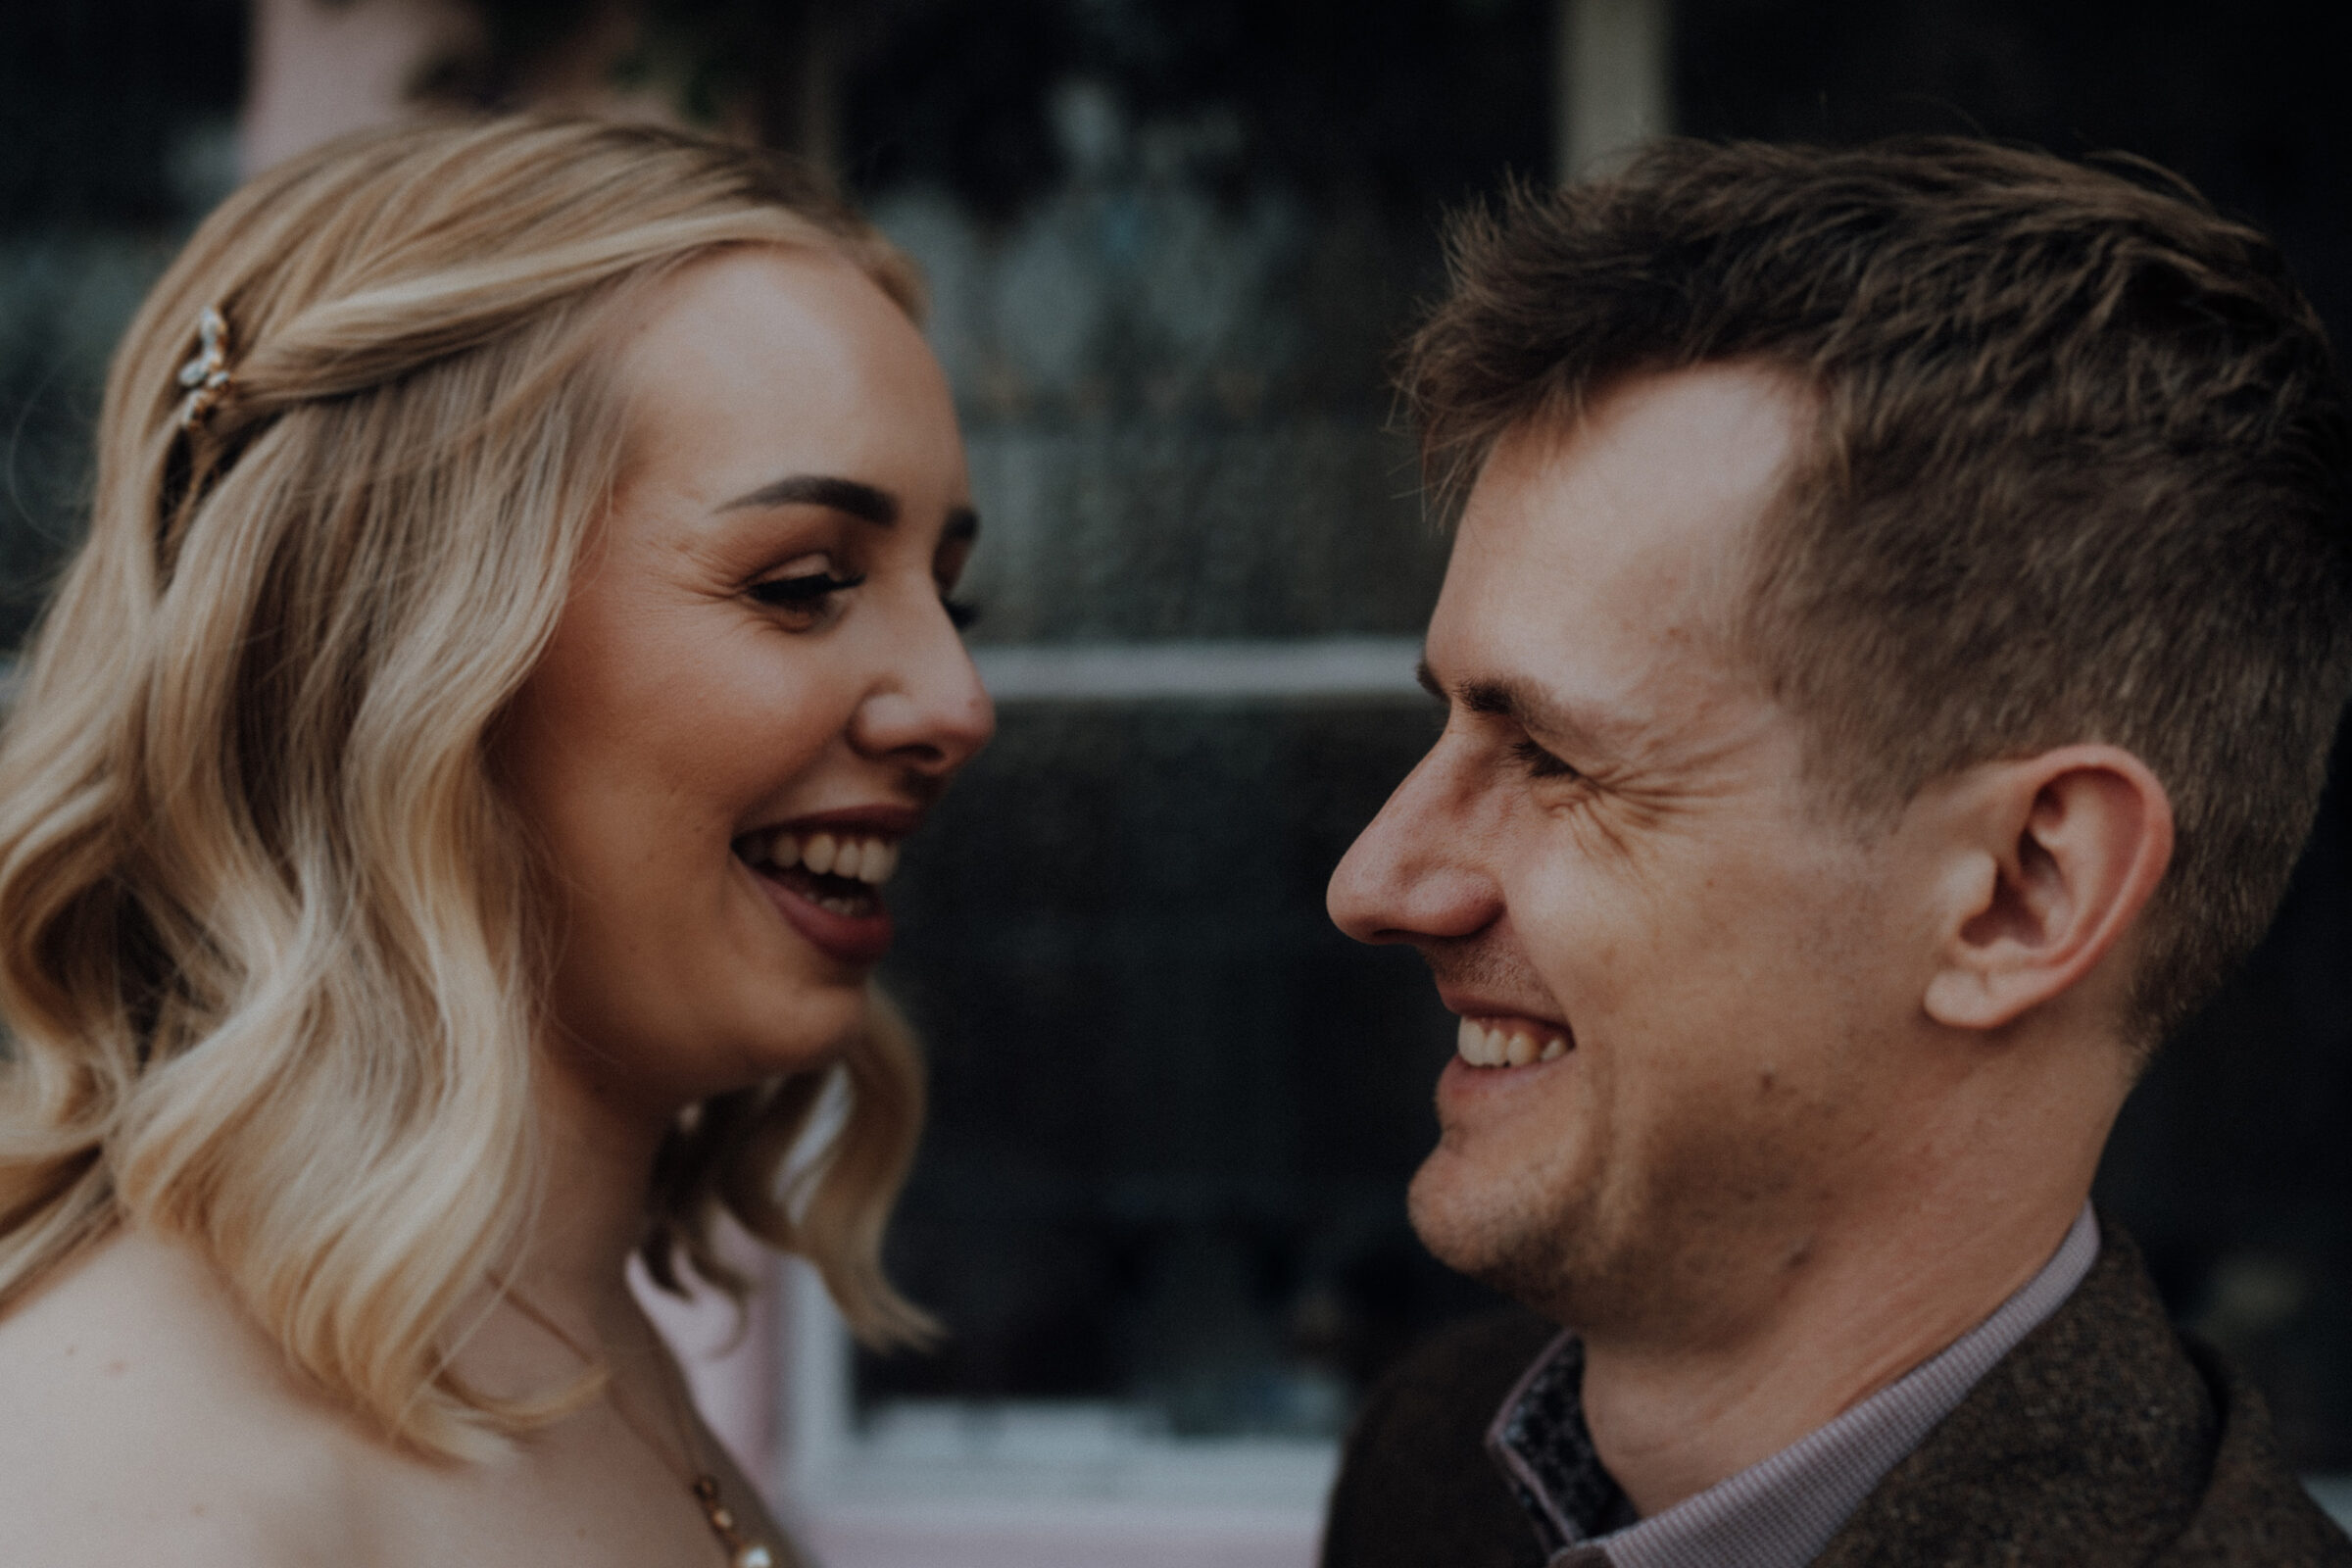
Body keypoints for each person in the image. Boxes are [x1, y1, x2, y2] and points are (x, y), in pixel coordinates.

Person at [1321, 138, 2352, 1567]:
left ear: (2017, 893)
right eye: (1447, 724)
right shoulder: (1431, 1462)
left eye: (1552, 759)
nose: (1372, 883)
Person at [0, 116, 992, 1565]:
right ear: (401, 648)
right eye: (803, 584)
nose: (958, 704)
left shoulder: (569, 1340)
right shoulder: (138, 1485)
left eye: (953, 602)